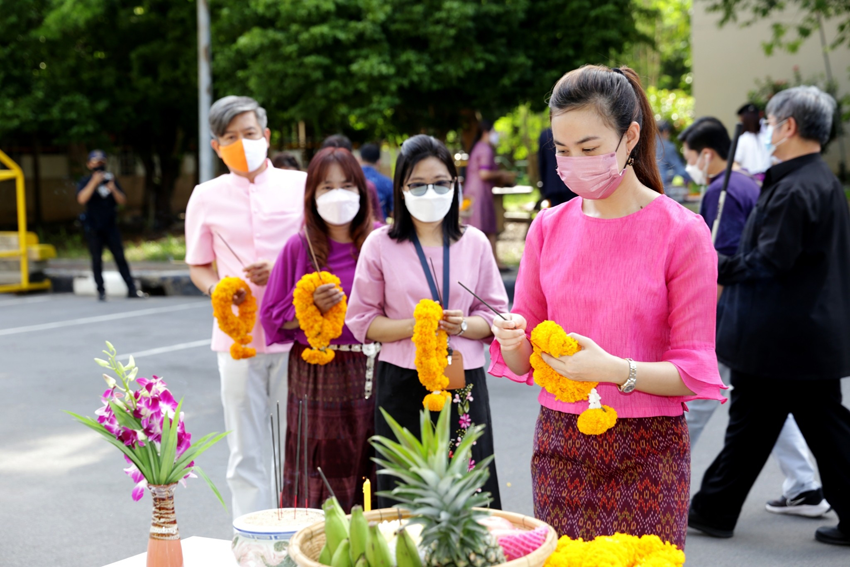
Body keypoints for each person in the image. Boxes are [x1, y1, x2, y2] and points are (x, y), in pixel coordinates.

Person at [489, 65, 725, 549]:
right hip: (560, 445)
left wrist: (614, 369)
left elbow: (694, 372)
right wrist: (512, 339)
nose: (574, 162)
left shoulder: (682, 233)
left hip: (649, 450)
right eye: (562, 150)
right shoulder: (547, 229)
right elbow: (523, 362)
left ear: (630, 136)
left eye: (589, 148)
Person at [688, 86, 850, 546]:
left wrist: (713, 264)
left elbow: (768, 260)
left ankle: (713, 508)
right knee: (793, 425)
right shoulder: (816, 179)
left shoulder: (796, 187)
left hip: (780, 335)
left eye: (772, 124)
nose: (768, 133)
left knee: (761, 425)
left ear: (790, 127)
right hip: (800, 334)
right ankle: (713, 507)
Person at [346, 134, 508, 509]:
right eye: (417, 185)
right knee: (404, 491)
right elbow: (362, 321)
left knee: (468, 490)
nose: (430, 192)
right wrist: (417, 327)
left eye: (440, 183)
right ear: (401, 189)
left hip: (461, 377)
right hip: (402, 379)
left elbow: (495, 316)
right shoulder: (380, 243)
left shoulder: (475, 242)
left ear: (455, 185)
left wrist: (462, 326)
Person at [184, 95, 307, 518]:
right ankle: (252, 543)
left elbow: (324, 252)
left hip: (297, 335)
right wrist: (220, 288)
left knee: (299, 442)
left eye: (250, 134)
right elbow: (198, 264)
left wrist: (282, 270)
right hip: (236, 341)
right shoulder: (205, 195)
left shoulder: (302, 185)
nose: (242, 143)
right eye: (231, 137)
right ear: (217, 146)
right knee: (245, 449)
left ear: (267, 136)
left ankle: (299, 537)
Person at [260, 147, 377, 511]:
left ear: (362, 190)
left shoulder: (380, 241)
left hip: (372, 365)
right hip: (316, 370)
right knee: (319, 463)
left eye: (347, 185)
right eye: (327, 187)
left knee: (371, 460)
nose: (338, 195)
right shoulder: (299, 247)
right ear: (311, 196)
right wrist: (309, 309)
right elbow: (271, 317)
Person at [76, 150, 144, 301]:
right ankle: (101, 290)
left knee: (120, 257)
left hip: (110, 226)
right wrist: (94, 182)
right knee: (96, 259)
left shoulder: (111, 180)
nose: (99, 165)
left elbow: (122, 201)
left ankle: (131, 289)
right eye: (95, 162)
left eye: (101, 162)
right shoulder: (85, 181)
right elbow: (81, 199)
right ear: (89, 165)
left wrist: (112, 188)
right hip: (93, 227)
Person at [464, 120, 516, 269]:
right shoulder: (485, 149)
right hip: (480, 195)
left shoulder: (477, 148)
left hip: (472, 193)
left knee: (479, 227)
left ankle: (488, 262)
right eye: (494, 132)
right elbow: (484, 173)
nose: (496, 135)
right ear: (486, 133)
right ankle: (494, 262)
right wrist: (503, 174)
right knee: (487, 227)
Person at [320, 135, 384, 222]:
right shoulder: (368, 185)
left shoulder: (366, 186)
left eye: (347, 186)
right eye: (328, 187)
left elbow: (378, 224)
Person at [537, 127, 576, 207]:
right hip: (571, 183)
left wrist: (544, 188)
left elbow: (542, 164)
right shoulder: (572, 132)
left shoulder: (544, 135)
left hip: (552, 184)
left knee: (556, 216)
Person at [733, 103, 772, 181]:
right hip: (768, 179)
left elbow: (735, 164)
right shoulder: (767, 137)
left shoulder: (742, 140)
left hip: (750, 180)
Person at [359, 143, 393, 219]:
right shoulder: (387, 182)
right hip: (379, 227)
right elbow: (393, 212)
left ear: (359, 159)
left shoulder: (351, 181)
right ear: (379, 162)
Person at [655, 120, 690, 194]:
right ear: (665, 131)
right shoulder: (667, 146)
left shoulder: (647, 144)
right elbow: (680, 170)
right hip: (661, 188)